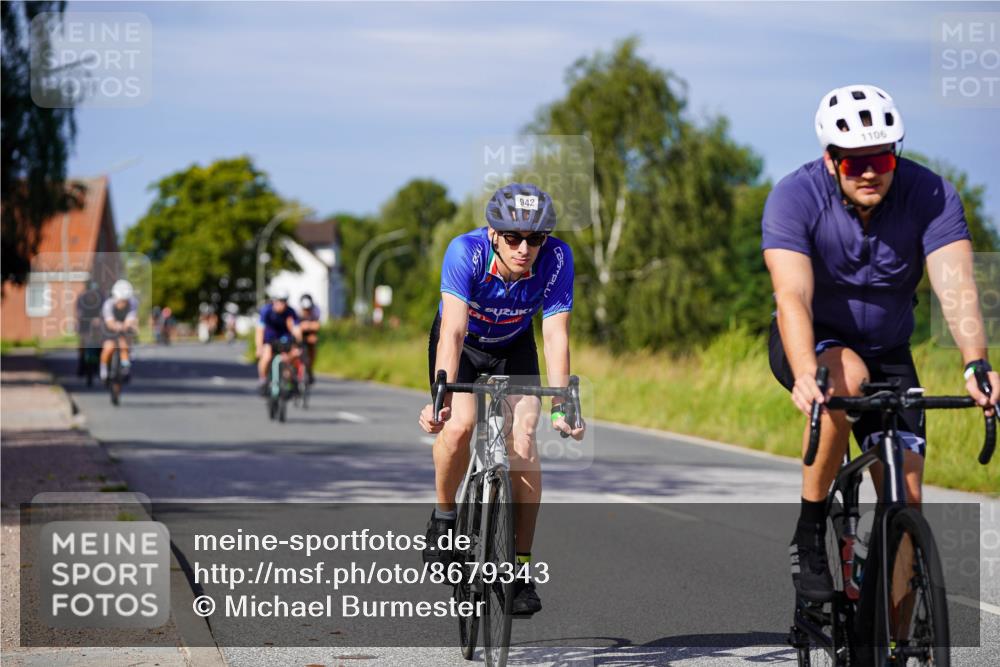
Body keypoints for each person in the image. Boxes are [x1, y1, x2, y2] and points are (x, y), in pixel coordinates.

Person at [761, 84, 999, 603]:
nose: (870, 172)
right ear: (830, 161)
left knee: (907, 498)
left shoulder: (932, 194)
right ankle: (809, 531)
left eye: (882, 157)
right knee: (843, 379)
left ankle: (892, 643)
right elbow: (793, 295)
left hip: (889, 351)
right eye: (853, 164)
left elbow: (956, 286)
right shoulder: (794, 196)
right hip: (814, 343)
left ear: (897, 152)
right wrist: (806, 372)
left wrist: (976, 363)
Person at [417, 183, 586, 617]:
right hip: (465, 346)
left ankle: (517, 570)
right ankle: (444, 517)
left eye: (534, 239)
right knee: (460, 426)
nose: (524, 248)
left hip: (514, 345)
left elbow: (555, 332)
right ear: (494, 234)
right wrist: (441, 397)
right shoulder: (464, 252)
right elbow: (452, 330)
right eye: (513, 238)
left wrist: (563, 403)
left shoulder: (558, 259)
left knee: (524, 440)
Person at [255, 287, 301, 395]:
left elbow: (296, 329)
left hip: (285, 339)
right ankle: (263, 380)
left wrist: (298, 344)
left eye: (284, 301)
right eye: (279, 301)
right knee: (266, 357)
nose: (282, 304)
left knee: (292, 356)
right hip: (269, 339)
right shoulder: (266, 311)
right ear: (274, 301)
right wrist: (259, 347)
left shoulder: (290, 312)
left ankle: (289, 380)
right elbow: (259, 330)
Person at [99, 279, 139, 382]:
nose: (123, 303)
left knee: (124, 345)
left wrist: (127, 326)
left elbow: (130, 319)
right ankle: (103, 370)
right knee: (109, 347)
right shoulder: (108, 304)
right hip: (109, 327)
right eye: (121, 301)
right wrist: (117, 325)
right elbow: (110, 323)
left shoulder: (133, 302)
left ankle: (126, 368)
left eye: (125, 301)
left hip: (123, 325)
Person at [75, 280, 104, 376]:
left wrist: (99, 318)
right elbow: (78, 311)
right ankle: (81, 365)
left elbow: (103, 311)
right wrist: (80, 318)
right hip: (84, 323)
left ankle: (99, 366)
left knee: (100, 343)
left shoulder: (101, 298)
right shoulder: (82, 298)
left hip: (96, 324)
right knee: (83, 343)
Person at [298, 294, 321, 383]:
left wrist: (306, 326)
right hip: (298, 333)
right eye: (305, 309)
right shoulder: (297, 311)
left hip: (310, 333)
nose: (306, 311)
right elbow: (296, 327)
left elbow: (317, 326)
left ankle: (309, 368)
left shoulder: (316, 310)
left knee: (313, 343)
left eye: (308, 309)